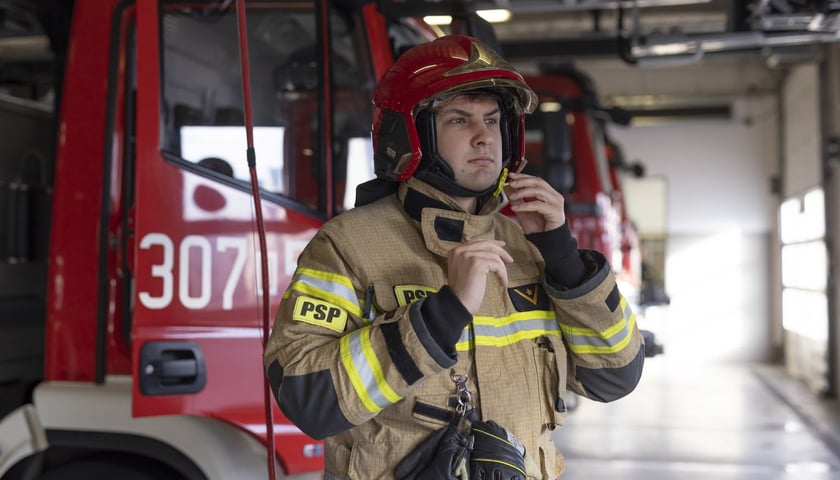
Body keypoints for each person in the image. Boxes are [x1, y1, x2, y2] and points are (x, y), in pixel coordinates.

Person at [264, 34, 644, 480]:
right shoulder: (348, 244)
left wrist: (564, 259)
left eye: (493, 119)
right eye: (460, 120)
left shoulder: (528, 245)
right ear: (412, 134)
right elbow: (309, 397)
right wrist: (440, 316)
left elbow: (614, 377)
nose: (484, 137)